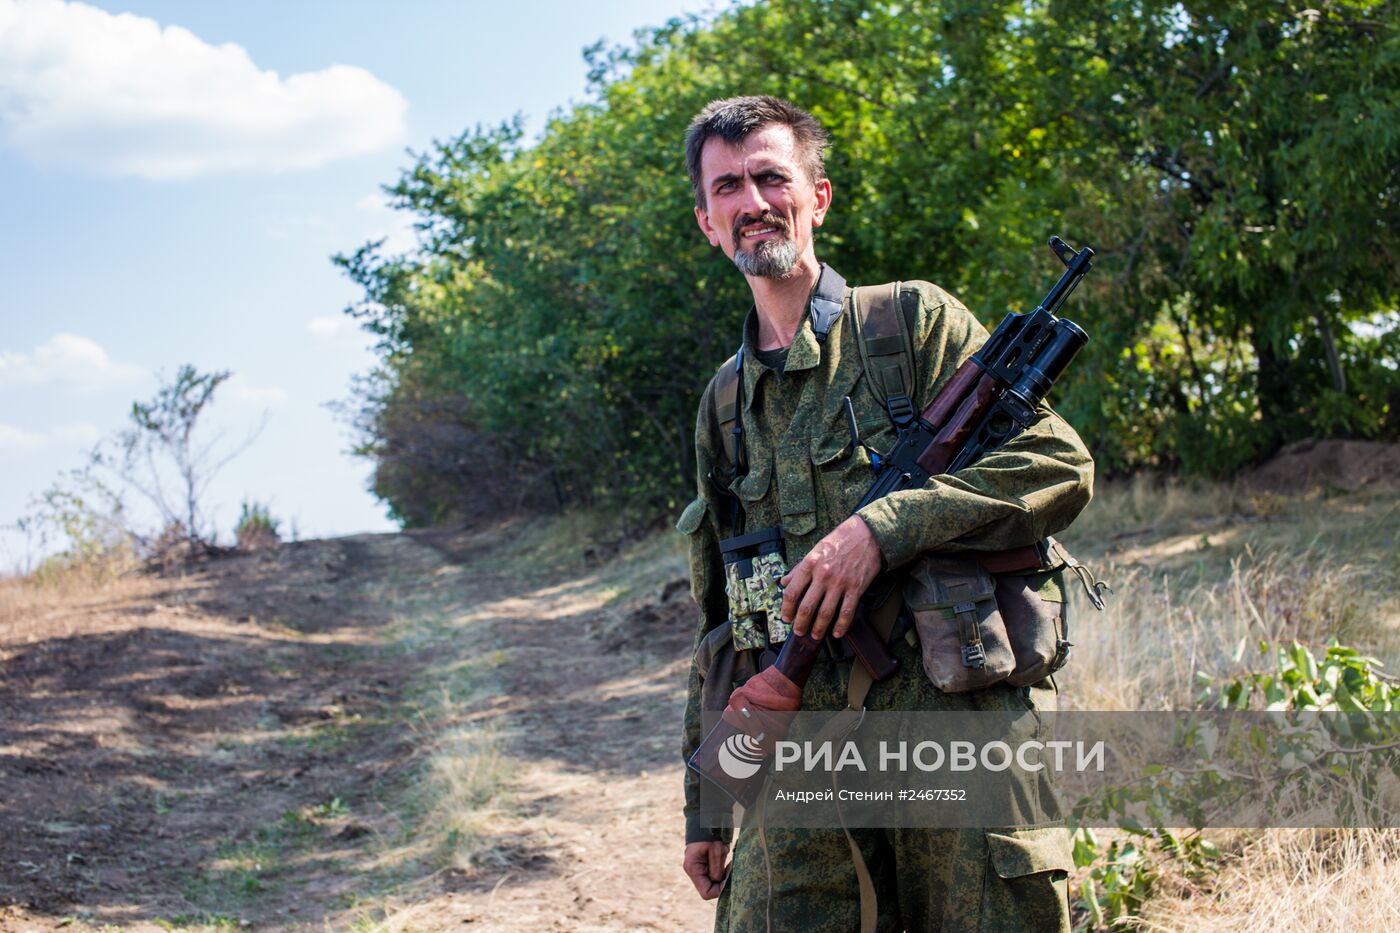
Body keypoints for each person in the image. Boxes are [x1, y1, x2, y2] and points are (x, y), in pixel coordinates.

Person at [676, 95, 1095, 932]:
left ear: (817, 197)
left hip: (955, 733)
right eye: (729, 187)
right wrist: (710, 801)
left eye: (771, 176)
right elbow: (728, 623)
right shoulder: (724, 405)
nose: (753, 202)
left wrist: (881, 528)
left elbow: (1058, 463)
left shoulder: (910, 323)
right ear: (707, 221)